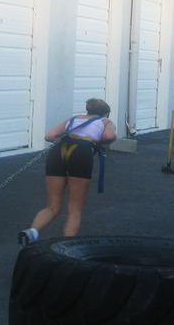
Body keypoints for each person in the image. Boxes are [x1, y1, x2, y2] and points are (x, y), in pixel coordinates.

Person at [18, 98, 117, 245]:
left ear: (88, 111)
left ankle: (32, 232)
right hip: (81, 154)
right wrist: (100, 143)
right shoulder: (105, 122)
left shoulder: (74, 119)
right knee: (74, 209)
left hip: (58, 152)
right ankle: (67, 246)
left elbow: (49, 136)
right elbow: (109, 136)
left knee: (52, 207)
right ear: (106, 114)